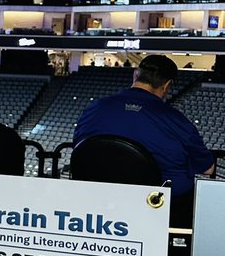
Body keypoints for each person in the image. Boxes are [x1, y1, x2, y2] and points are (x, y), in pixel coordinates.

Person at [73, 53, 214, 227]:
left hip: (96, 206)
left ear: (135, 75)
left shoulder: (94, 108)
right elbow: (207, 169)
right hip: (162, 213)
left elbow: (79, 148)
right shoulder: (176, 120)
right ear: (167, 85)